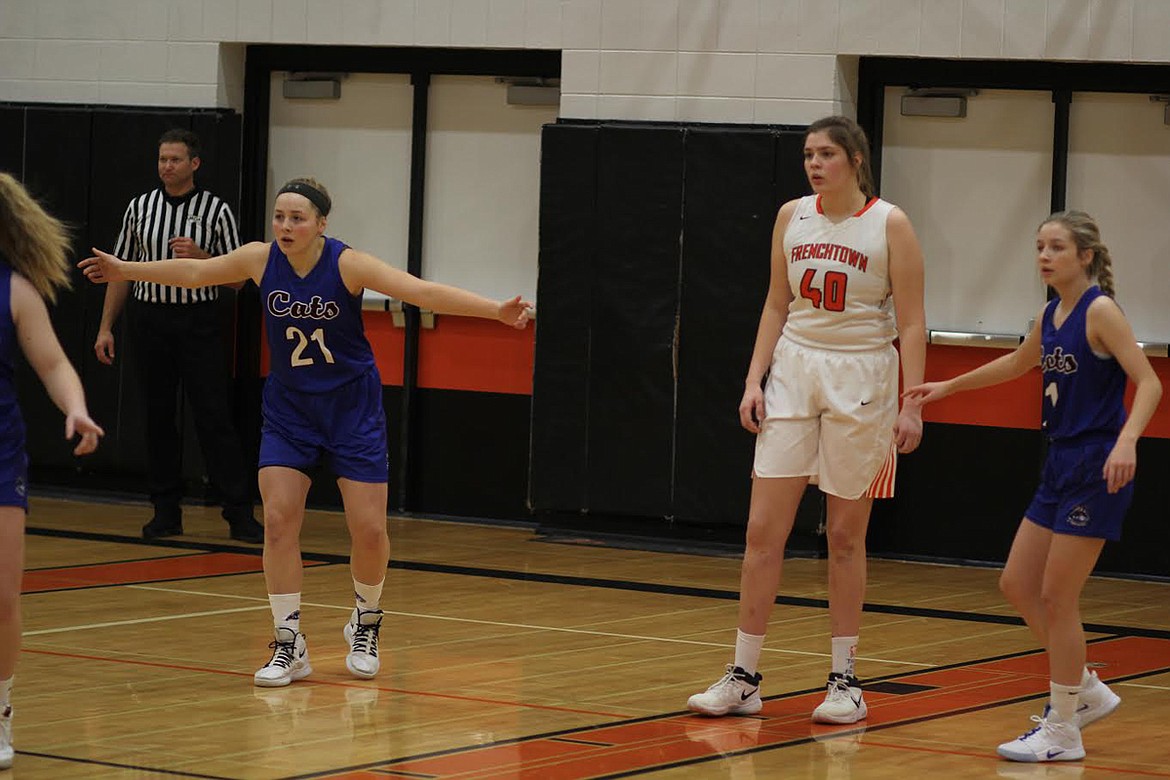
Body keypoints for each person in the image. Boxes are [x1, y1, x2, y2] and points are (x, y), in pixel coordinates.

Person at [81, 176, 531, 687]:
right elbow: (194, 271)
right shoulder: (259, 258)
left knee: (369, 530)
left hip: (351, 411)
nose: (286, 226)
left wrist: (495, 310)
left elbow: (419, 290)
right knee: (276, 518)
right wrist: (125, 269)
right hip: (289, 410)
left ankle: (366, 619)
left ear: (321, 224)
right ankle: (289, 641)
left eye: (297, 218)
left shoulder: (347, 264)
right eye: (279, 216)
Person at [686, 115, 926, 723]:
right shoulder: (792, 215)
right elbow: (775, 300)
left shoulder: (889, 223)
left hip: (863, 377)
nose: (814, 163)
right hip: (795, 367)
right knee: (762, 533)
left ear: (855, 159)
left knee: (845, 537)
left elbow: (913, 322)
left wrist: (913, 403)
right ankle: (744, 676)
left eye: (826, 154)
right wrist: (753, 377)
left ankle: (845, 681)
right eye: (808, 154)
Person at [904, 211, 1161, 763]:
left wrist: (1128, 441)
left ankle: (1064, 727)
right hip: (1059, 463)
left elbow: (1148, 381)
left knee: (1056, 596)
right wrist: (947, 386)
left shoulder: (1101, 311)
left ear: (1085, 256)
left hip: (1096, 464)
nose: (1044, 256)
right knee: (1017, 584)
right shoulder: (1052, 313)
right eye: (1039, 246)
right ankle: (1084, 688)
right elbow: (1020, 363)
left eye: (1057, 247)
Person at [94, 128, 263, 543]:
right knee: (157, 420)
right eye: (162, 159)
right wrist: (105, 327)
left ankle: (238, 513)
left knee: (214, 418)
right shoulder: (140, 207)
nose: (166, 166)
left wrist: (204, 259)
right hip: (149, 320)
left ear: (194, 164)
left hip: (198, 321)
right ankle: (165, 512)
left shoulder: (215, 210)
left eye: (174, 159)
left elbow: (240, 280)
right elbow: (120, 272)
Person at [0, 173, 104, 769]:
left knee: (3, 597)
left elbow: (55, 363)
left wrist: (78, 409)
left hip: (0, 450)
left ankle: (2, 707)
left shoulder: (15, 291)